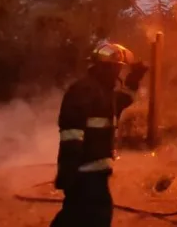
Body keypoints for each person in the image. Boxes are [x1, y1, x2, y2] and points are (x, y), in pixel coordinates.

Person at [51, 42, 148, 227]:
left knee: (75, 216)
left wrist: (135, 78)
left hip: (95, 172)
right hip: (84, 173)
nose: (119, 73)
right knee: (92, 217)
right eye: (118, 68)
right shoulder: (83, 90)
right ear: (109, 68)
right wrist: (69, 172)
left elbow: (124, 99)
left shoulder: (103, 91)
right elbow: (71, 134)